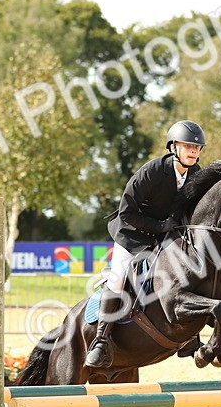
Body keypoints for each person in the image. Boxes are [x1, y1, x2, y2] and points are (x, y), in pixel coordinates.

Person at [85, 120, 206, 368]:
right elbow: (126, 213)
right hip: (131, 233)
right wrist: (161, 227)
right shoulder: (151, 172)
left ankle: (191, 337)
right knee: (118, 277)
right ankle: (101, 340)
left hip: (165, 236)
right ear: (173, 147)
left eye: (197, 148)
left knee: (187, 273)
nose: (193, 152)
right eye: (188, 146)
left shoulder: (196, 174)